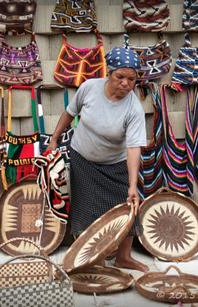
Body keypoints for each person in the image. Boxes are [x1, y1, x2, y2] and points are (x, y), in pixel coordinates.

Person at [47, 47, 149, 272]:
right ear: (109, 73)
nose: (125, 83)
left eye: (131, 79)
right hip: (83, 158)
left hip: (115, 163)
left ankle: (123, 257)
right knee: (87, 208)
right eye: (119, 77)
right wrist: (54, 139)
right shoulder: (89, 88)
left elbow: (133, 148)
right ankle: (91, 257)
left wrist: (133, 185)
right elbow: (69, 113)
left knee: (128, 206)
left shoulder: (133, 109)